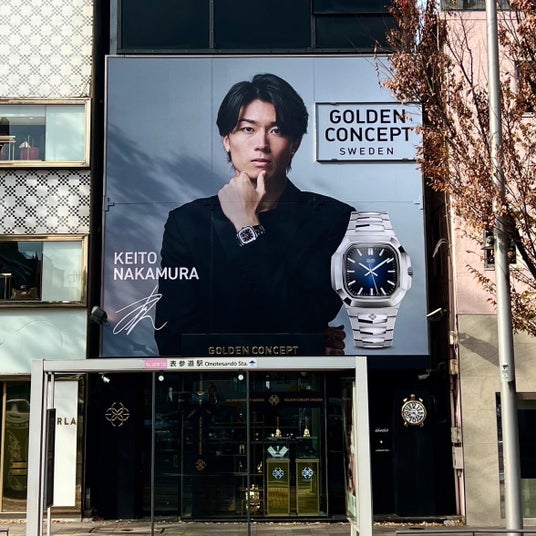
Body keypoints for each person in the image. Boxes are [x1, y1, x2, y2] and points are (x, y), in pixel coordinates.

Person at [155, 73, 354, 356]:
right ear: (226, 139)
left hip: (302, 382)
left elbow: (307, 316)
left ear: (295, 143)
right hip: (213, 382)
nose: (261, 143)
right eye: (247, 129)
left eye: (276, 130)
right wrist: (304, 342)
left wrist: (247, 226)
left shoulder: (334, 219)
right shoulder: (187, 223)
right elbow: (173, 340)